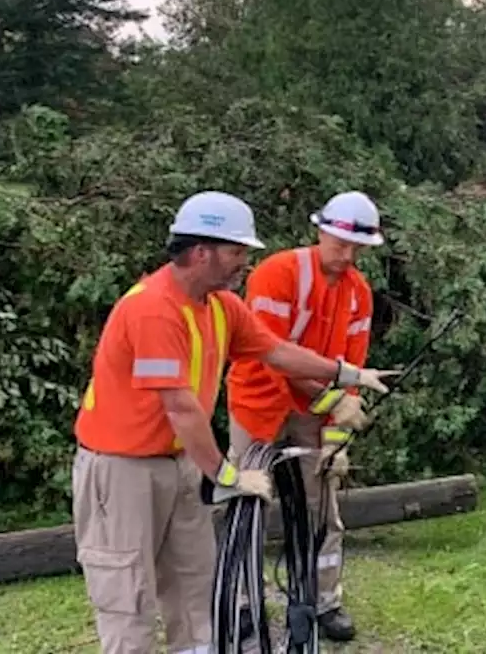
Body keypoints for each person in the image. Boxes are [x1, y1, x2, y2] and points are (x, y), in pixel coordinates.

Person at [71, 191, 400, 654]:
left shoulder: (220, 305)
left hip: (179, 461)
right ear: (201, 251)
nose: (244, 262)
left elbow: (277, 350)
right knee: (128, 596)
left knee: (194, 584)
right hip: (123, 469)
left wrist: (347, 375)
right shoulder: (153, 308)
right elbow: (181, 408)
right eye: (237, 251)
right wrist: (227, 475)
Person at [224, 191, 384, 642]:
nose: (348, 256)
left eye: (358, 248)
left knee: (322, 507)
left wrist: (336, 435)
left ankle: (323, 600)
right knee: (247, 503)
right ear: (320, 231)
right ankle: (241, 604)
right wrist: (332, 400)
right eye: (340, 244)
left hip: (313, 409)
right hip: (258, 403)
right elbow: (273, 357)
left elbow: (352, 366)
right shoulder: (278, 273)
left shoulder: (358, 294)